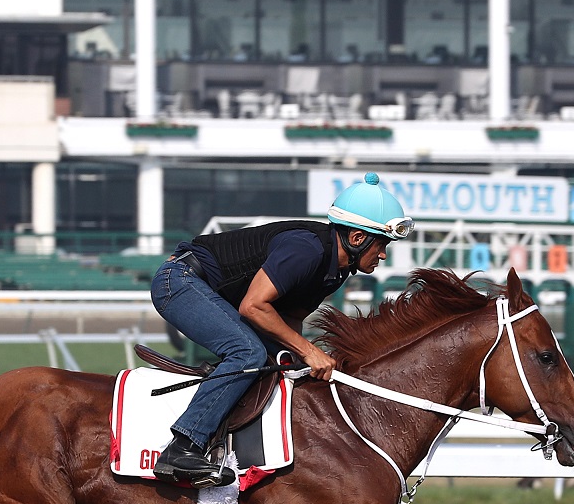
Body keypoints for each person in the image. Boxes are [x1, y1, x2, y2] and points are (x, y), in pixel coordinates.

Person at [150, 172, 414, 487]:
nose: (383, 254)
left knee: (284, 362)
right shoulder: (308, 249)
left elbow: (288, 321)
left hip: (214, 294)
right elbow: (253, 307)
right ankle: (182, 447)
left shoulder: (336, 271)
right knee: (247, 352)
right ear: (358, 238)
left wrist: (298, 359)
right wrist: (310, 350)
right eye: (382, 244)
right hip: (179, 281)